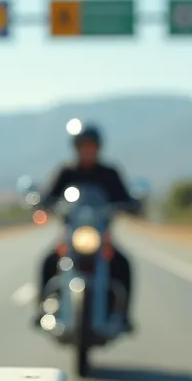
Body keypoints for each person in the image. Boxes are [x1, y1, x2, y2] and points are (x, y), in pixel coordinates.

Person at [33, 123, 141, 332]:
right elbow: (48, 196)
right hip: (71, 236)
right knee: (48, 262)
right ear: (76, 148)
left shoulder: (109, 173)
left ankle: (124, 316)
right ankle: (42, 309)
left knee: (123, 265)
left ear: (99, 148)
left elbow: (125, 198)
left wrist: (131, 204)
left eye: (91, 146)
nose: (87, 150)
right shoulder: (66, 172)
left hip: (101, 237)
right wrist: (42, 202)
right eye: (83, 146)